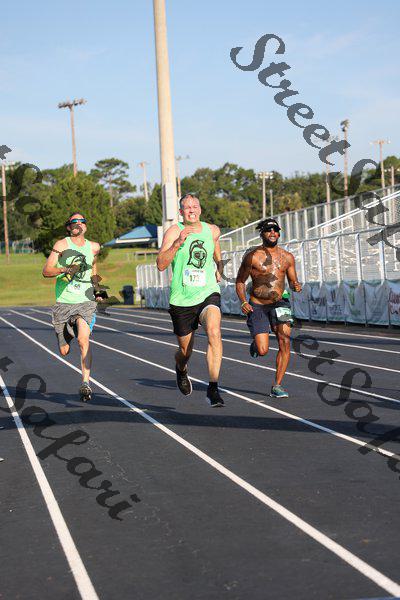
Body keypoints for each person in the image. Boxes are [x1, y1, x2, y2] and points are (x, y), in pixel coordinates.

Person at [157, 194, 225, 407]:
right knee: (185, 352)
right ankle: (181, 368)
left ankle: (213, 388)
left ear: (200, 209)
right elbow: (160, 264)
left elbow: (215, 246)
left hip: (207, 292)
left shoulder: (212, 230)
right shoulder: (173, 231)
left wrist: (219, 266)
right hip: (182, 300)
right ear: (181, 212)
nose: (192, 210)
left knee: (214, 331)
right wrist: (178, 243)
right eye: (187, 207)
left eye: (195, 206)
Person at [42, 212, 105, 402]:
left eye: (82, 221)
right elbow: (46, 271)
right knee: (64, 351)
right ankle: (66, 334)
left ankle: (86, 383)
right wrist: (64, 269)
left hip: (85, 302)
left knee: (83, 340)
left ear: (85, 225)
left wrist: (97, 290)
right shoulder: (61, 245)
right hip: (64, 302)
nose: (78, 224)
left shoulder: (94, 247)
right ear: (69, 227)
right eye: (74, 222)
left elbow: (93, 268)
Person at [235, 218, 302, 398]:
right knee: (263, 350)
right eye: (268, 230)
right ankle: (256, 345)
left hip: (280, 304)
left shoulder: (287, 257)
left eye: (275, 230)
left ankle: (277, 385)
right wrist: (243, 302)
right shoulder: (253, 257)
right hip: (258, 305)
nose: (272, 232)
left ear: (279, 233)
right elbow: (240, 281)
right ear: (262, 233)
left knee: (285, 341)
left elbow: (292, 281)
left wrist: (296, 285)